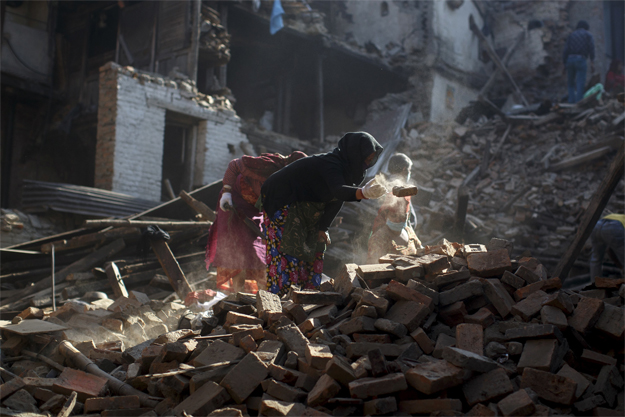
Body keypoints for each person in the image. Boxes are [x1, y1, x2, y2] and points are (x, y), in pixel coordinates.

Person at [260, 132, 386, 296]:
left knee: (316, 246)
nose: (367, 163)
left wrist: (323, 227)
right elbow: (338, 191)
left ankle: (307, 297)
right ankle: (280, 300)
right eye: (366, 159)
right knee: (288, 250)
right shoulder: (331, 164)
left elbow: (336, 199)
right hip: (282, 200)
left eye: (370, 160)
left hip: (305, 206)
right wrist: (363, 193)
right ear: (355, 153)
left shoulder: (350, 171)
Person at [205, 151, 306, 293]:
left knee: (261, 253)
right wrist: (226, 192)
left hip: (255, 210)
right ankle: (237, 296)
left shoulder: (290, 181)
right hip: (233, 203)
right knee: (241, 249)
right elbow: (234, 165)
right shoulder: (267, 166)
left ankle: (264, 297)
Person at [367, 153, 422, 264]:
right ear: (404, 169)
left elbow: (421, 251)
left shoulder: (409, 233)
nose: (399, 219)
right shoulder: (380, 239)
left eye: (403, 216)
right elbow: (374, 267)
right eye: (394, 216)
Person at [563, 20, 595, 103]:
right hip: (581, 59)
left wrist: (564, 63)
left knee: (570, 82)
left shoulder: (571, 35)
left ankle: (571, 101)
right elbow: (591, 49)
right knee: (580, 82)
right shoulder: (588, 35)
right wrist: (592, 62)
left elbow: (565, 50)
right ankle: (579, 102)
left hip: (570, 59)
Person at [589, 213, 624, 283]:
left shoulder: (619, 217)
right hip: (614, 227)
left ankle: (594, 285)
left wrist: (621, 267)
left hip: (597, 225)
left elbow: (609, 250)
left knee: (596, 259)